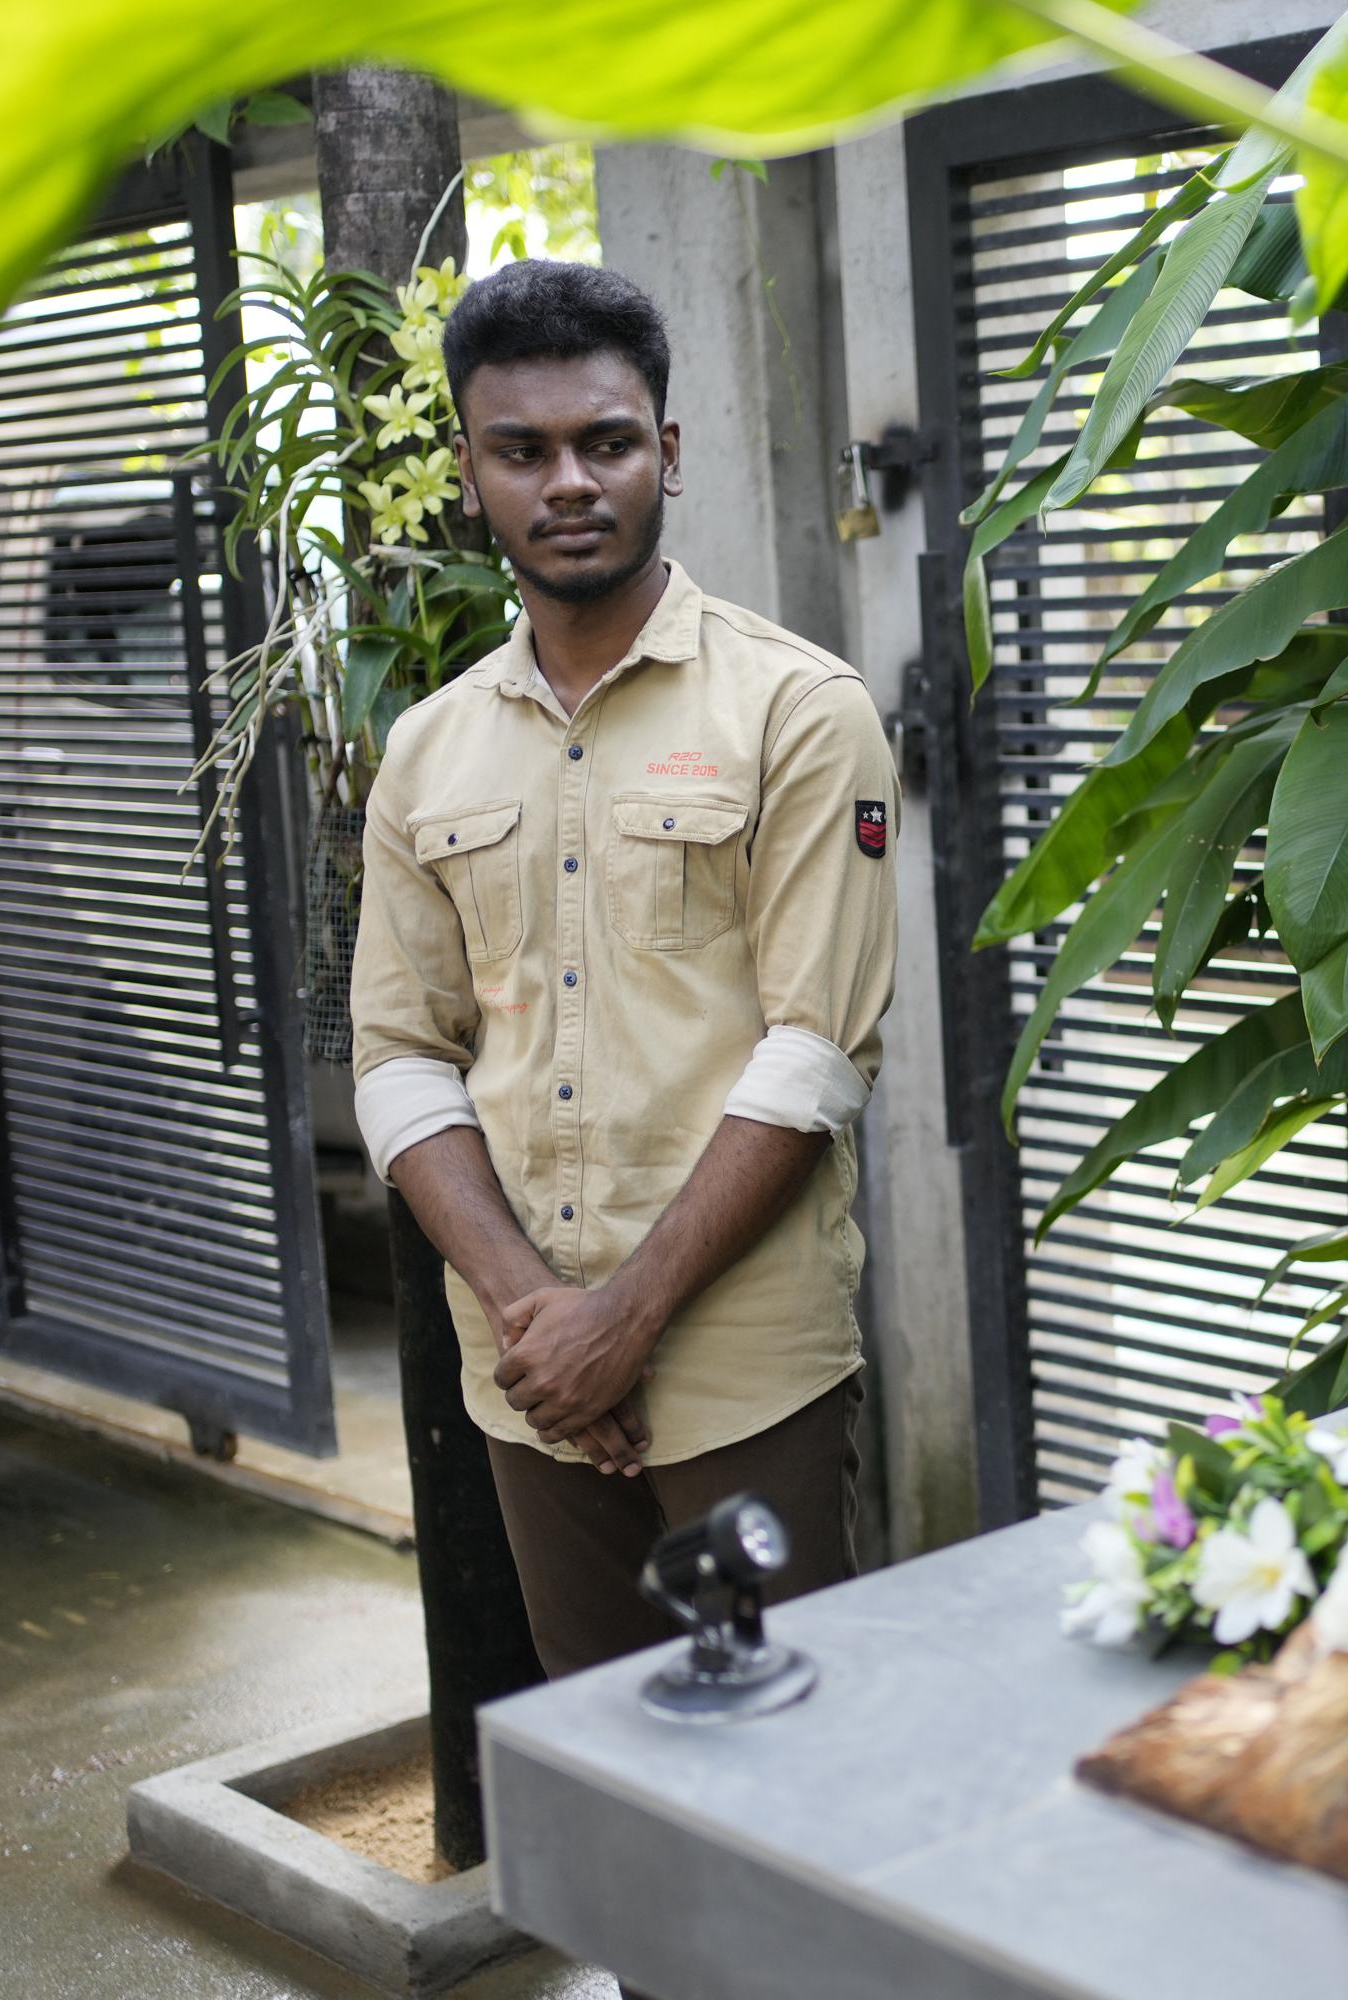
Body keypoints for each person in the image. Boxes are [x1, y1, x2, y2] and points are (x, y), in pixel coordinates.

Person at [349, 260, 896, 1678]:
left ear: (670, 449)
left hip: (741, 1377)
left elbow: (818, 1050)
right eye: (523, 450)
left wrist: (625, 1318)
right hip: (527, 1380)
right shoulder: (428, 751)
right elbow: (403, 1057)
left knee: (793, 1765)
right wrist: (541, 1318)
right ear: (469, 473)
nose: (570, 481)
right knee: (606, 1770)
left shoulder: (797, 710)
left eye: (608, 440)